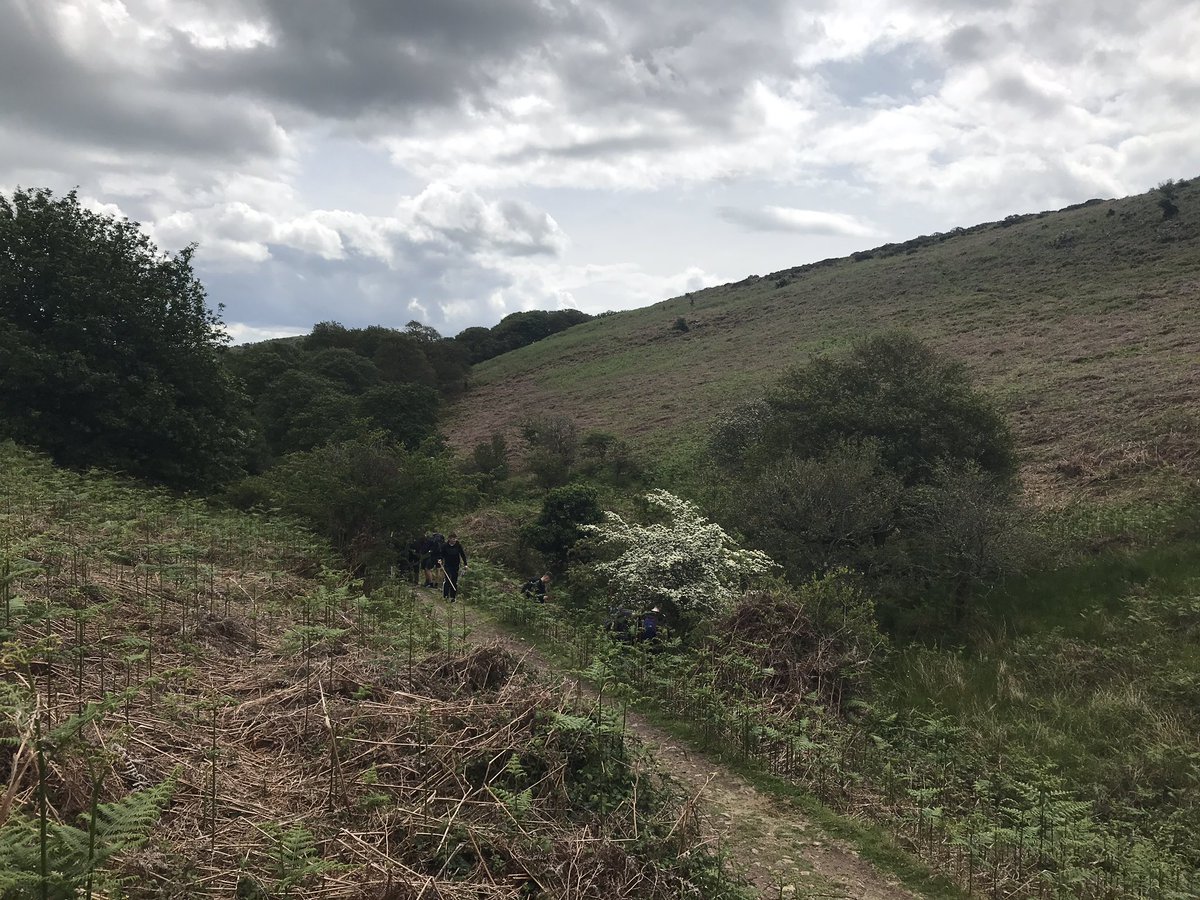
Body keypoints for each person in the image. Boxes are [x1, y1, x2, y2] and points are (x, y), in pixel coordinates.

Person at [438, 533, 468, 602]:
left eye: (455, 538)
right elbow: (441, 554)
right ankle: (445, 596)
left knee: (454, 581)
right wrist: (440, 559)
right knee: (447, 580)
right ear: (449, 539)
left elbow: (462, 554)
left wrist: (465, 564)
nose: (454, 540)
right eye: (452, 538)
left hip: (456, 565)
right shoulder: (445, 546)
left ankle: (453, 597)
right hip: (447, 565)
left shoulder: (458, 545)